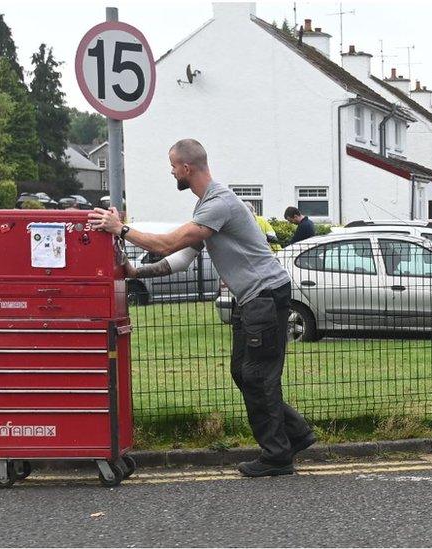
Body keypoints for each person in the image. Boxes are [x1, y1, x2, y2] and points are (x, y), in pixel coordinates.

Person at [88, 139, 314, 478]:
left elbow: (169, 243)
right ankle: (296, 435)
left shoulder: (218, 203)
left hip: (265, 297)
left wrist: (121, 229)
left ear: (186, 168)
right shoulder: (207, 206)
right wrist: (138, 272)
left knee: (258, 376)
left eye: (173, 166)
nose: (171, 172)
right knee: (244, 373)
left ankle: (277, 455)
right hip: (253, 300)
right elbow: (180, 259)